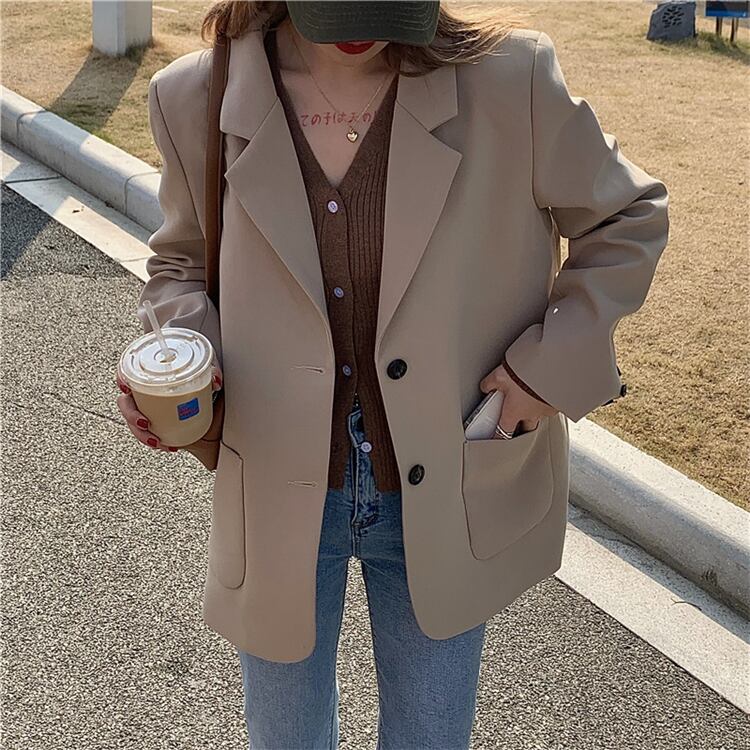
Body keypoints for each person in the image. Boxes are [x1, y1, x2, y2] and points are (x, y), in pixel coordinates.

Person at [116, 1, 670, 748]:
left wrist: (548, 369)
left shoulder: (509, 80)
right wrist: (184, 356)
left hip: (445, 478)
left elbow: (629, 217)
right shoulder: (196, 96)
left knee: (430, 738)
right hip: (273, 481)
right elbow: (181, 262)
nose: (361, 25)